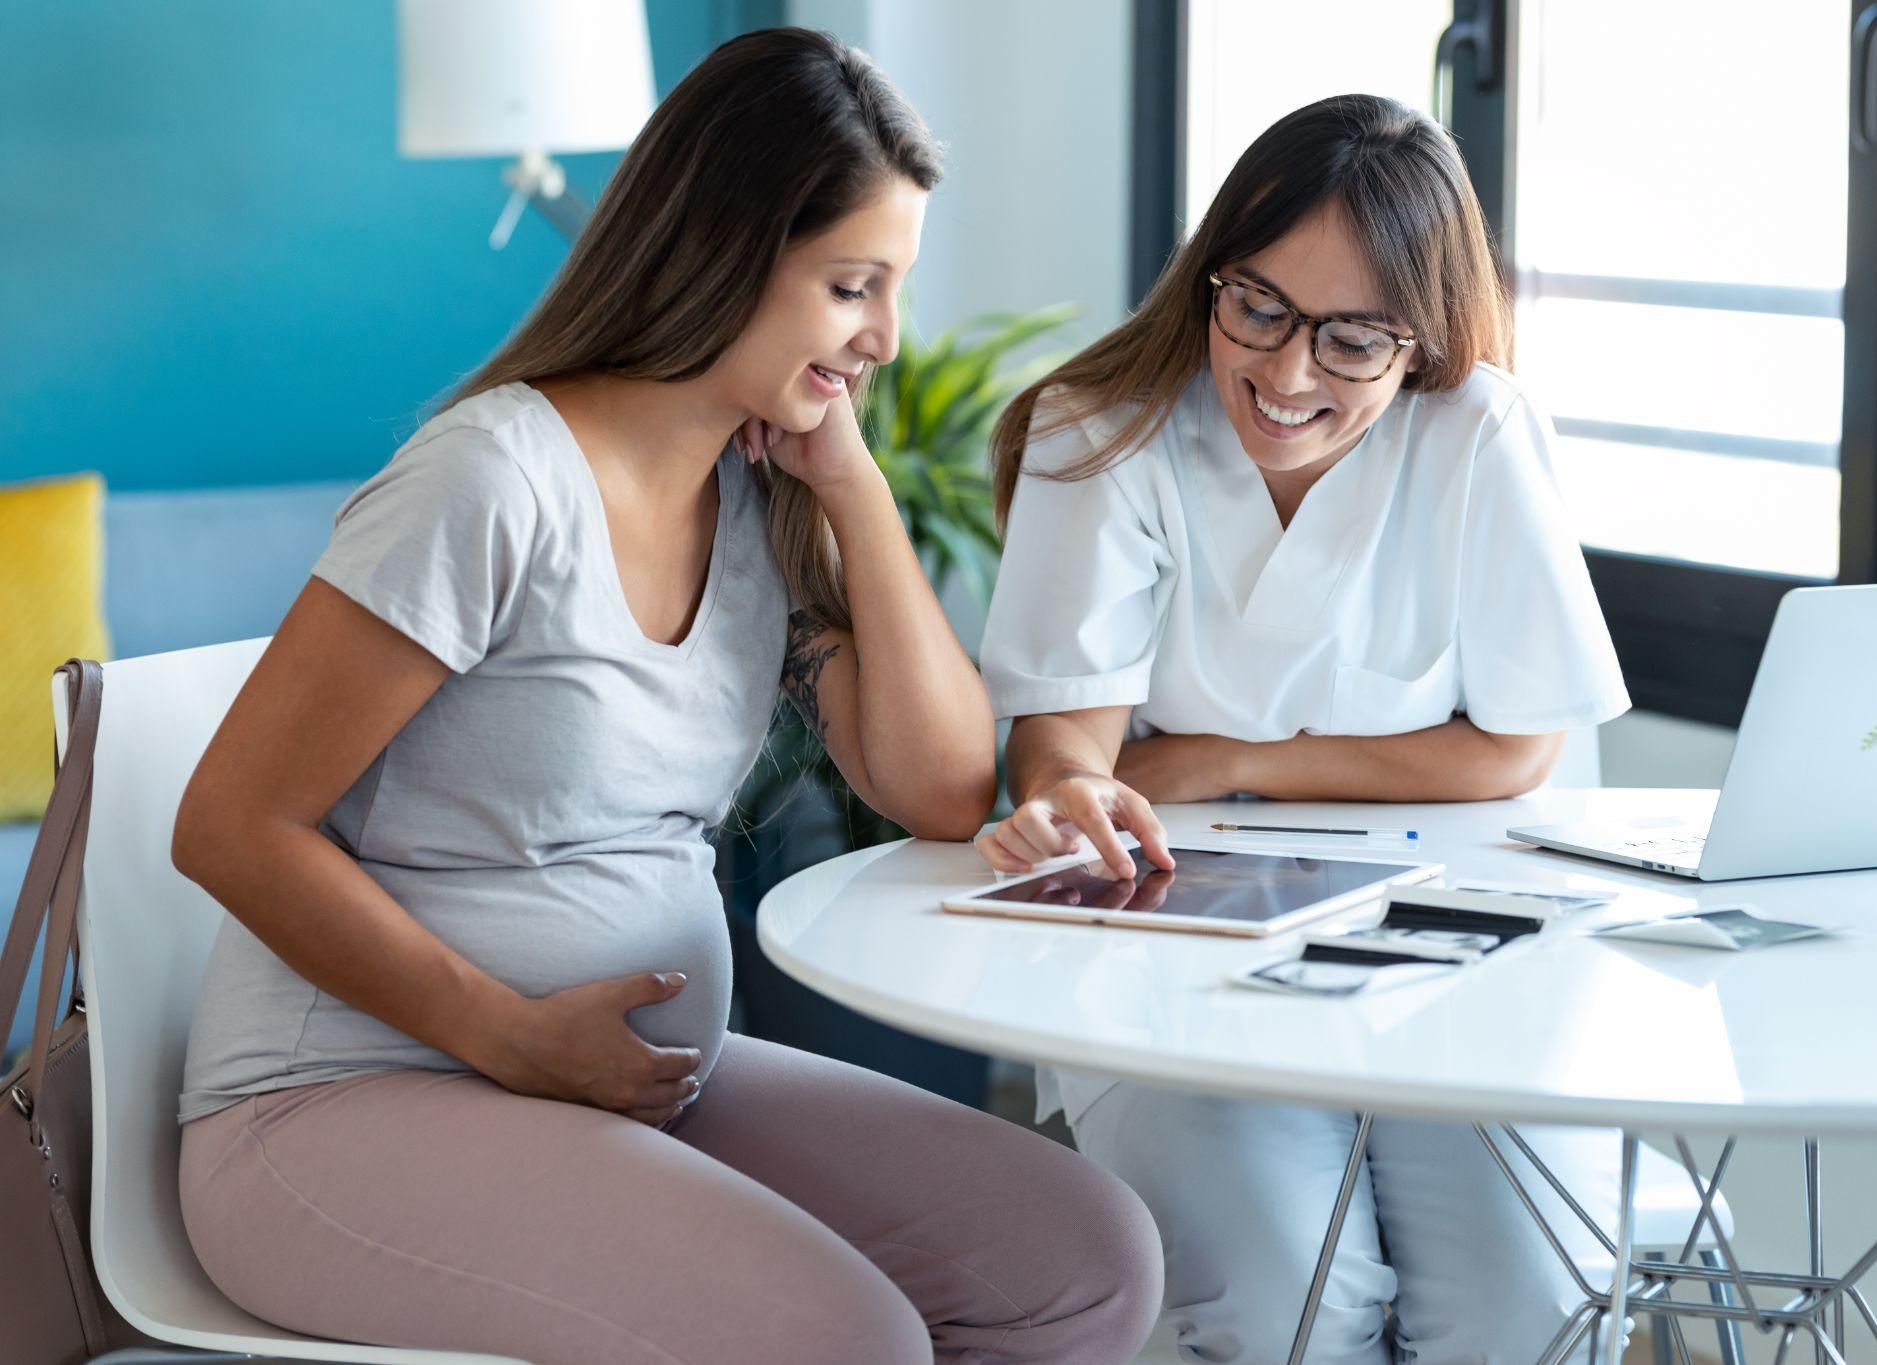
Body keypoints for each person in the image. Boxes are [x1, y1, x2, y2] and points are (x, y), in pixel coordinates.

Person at [170, 29, 1162, 1365]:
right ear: (732, 248)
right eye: (851, 286)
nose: (881, 336)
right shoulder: (490, 482)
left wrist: (853, 485)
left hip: (623, 1088)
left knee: (1079, 1258)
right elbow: (231, 823)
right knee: (845, 1337)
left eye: (893, 290)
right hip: (340, 1101)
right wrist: (510, 1037)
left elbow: (932, 788)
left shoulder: (757, 495)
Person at [977, 94, 1629, 1364]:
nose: (1283, 375)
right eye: (1258, 307)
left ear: (1420, 338)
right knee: (1286, 1303)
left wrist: (1226, 762)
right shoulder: (1102, 431)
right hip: (1181, 949)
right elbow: (1068, 744)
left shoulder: (1475, 431)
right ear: (1210, 274)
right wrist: (1069, 788)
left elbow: (1511, 751)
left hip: (1470, 944)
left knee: (1525, 1306)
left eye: (1350, 341)